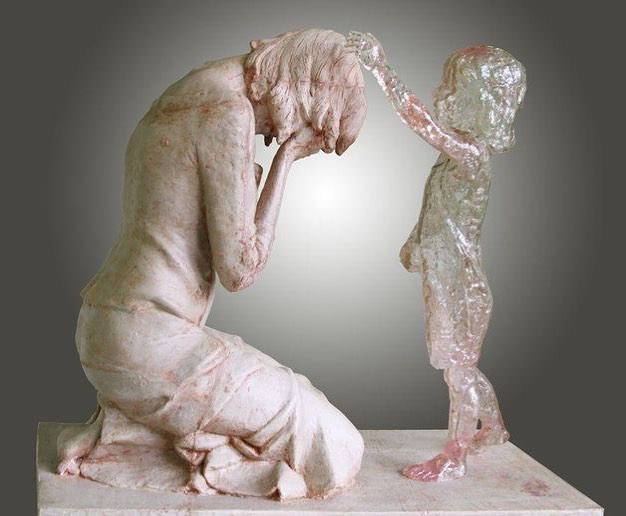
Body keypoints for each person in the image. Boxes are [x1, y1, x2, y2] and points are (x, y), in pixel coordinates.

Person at [57, 29, 367, 499]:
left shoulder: (188, 91)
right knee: (331, 440)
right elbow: (241, 269)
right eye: (305, 127)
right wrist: (286, 160)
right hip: (147, 342)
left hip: (114, 327)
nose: (273, 135)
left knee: (294, 399)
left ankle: (145, 433)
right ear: (304, 94)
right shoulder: (227, 113)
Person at [347, 31, 526, 481]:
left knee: (458, 372)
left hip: (459, 285)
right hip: (451, 276)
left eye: (450, 87)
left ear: (479, 103)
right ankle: (495, 429)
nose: (439, 93)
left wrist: (381, 68)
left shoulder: (471, 155)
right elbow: (442, 210)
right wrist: (417, 242)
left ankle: (454, 455)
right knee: (463, 366)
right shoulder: (454, 161)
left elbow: (419, 120)